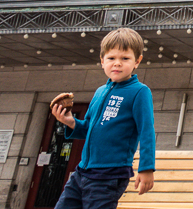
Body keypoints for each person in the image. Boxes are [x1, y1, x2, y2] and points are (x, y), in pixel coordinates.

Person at [51, 28, 156, 209]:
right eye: (111, 58)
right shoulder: (100, 92)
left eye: (125, 58)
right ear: (102, 61)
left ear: (137, 61)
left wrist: (146, 168)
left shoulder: (140, 91)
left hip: (110, 173)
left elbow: (146, 131)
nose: (117, 64)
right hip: (82, 171)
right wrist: (70, 121)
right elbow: (90, 128)